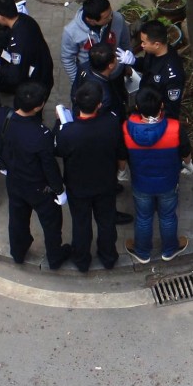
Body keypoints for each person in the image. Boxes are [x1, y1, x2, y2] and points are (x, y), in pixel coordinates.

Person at [0, 82, 70, 267]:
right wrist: (59, 190)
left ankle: (18, 253)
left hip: (14, 180)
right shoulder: (41, 135)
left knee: (17, 218)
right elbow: (50, 167)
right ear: (38, 106)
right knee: (51, 222)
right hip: (39, 187)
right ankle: (54, 256)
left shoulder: (2, 115)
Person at [55, 81, 129, 271]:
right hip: (105, 183)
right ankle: (108, 256)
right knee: (106, 222)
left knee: (81, 224)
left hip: (78, 187)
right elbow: (121, 151)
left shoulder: (68, 132)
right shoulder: (111, 123)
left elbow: (59, 150)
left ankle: (81, 260)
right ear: (99, 105)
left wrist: (59, 123)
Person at [122, 86, 192, 264]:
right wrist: (188, 164)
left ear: (138, 108)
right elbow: (185, 152)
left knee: (144, 217)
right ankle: (169, 250)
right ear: (161, 105)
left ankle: (142, 252)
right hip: (168, 182)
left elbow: (122, 154)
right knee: (167, 216)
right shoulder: (175, 128)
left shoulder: (127, 128)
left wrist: (122, 171)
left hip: (141, 183)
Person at [60, 0, 131, 93]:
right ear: (91, 20)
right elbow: (67, 59)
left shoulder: (118, 19)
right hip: (92, 80)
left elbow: (125, 43)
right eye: (106, 17)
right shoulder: (71, 32)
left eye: (110, 12)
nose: (111, 17)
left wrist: (128, 65)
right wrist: (79, 82)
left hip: (116, 73)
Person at [118, 19, 185, 121]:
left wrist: (155, 122)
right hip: (144, 102)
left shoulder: (172, 75)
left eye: (144, 42)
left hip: (156, 115)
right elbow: (147, 67)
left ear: (157, 44)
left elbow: (171, 108)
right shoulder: (152, 52)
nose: (142, 45)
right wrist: (133, 61)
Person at [0, 0, 54, 94]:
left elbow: (15, 75)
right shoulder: (24, 19)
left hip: (35, 84)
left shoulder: (18, 43)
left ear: (0, 17)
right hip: (43, 69)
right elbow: (4, 36)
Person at [74, 42, 124, 119]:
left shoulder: (83, 67)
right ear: (110, 65)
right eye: (115, 57)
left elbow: (74, 91)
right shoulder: (105, 96)